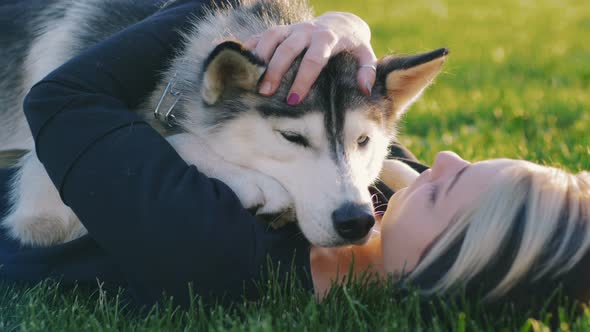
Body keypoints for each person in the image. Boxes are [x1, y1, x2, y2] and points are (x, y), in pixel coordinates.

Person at [0, 0, 385, 308]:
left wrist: (243, 6)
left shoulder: (226, 248)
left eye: (438, 195)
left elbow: (38, 213)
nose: (446, 162)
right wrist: (346, 25)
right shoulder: (386, 199)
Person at [311, 151, 590, 307]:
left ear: (427, 274)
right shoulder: (404, 182)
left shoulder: (274, 257)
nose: (444, 157)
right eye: (470, 165)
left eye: (437, 194)